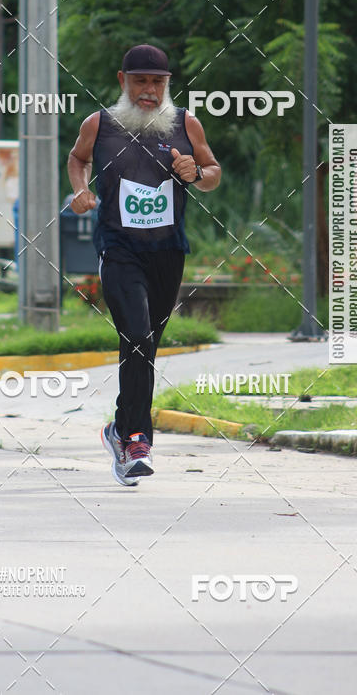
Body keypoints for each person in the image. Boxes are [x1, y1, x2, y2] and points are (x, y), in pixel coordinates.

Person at [68, 44, 221, 486]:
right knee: (135, 335)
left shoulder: (186, 124)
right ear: (123, 81)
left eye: (157, 81)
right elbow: (78, 159)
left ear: (167, 83)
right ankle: (137, 439)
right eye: (140, 81)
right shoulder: (99, 124)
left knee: (147, 343)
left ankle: (119, 429)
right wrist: (80, 189)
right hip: (118, 248)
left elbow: (212, 173)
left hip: (168, 251)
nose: (149, 90)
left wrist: (196, 173)